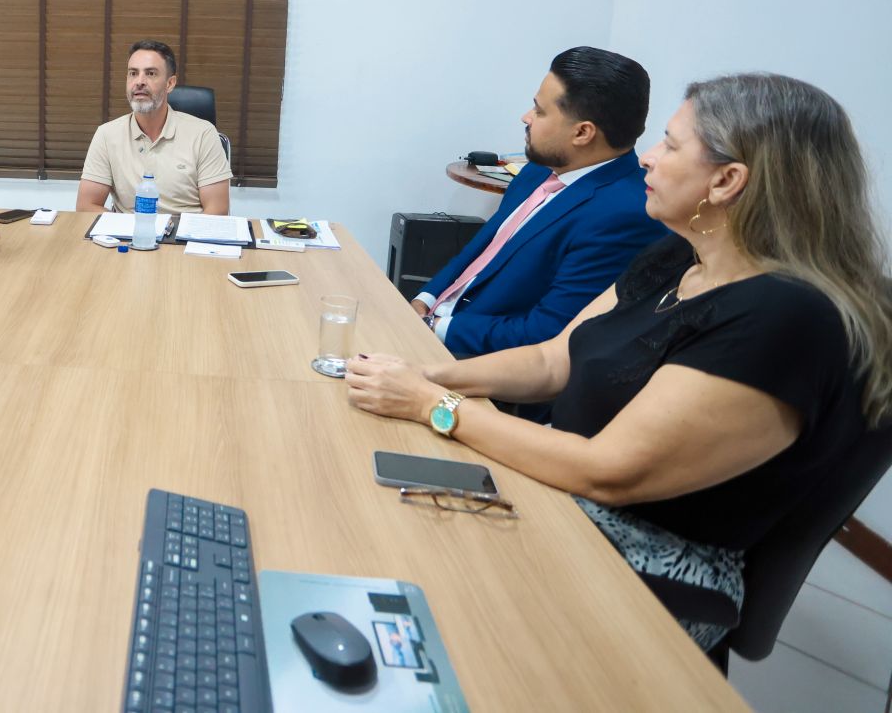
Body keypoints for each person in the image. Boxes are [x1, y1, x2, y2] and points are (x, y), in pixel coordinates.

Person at [347, 73, 892, 651]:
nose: (648, 160)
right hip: (565, 500)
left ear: (729, 180)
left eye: (671, 146)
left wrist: (435, 405)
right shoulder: (676, 256)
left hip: (652, 569)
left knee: (400, 574)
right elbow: (552, 360)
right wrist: (422, 374)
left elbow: (608, 470)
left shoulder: (783, 316)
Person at [413, 47, 666, 363]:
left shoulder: (624, 214)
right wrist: (424, 300)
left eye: (540, 111)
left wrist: (435, 327)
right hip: (431, 328)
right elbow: (480, 251)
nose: (526, 117)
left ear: (583, 132)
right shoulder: (537, 170)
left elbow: (546, 333)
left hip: (480, 361)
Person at [76, 40, 232, 216]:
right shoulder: (107, 134)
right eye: (133, 73)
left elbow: (217, 210)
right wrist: (135, 230)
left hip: (184, 238)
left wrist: (174, 237)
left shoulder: (203, 134)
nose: (139, 82)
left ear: (170, 83)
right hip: (129, 237)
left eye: (150, 73)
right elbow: (86, 206)